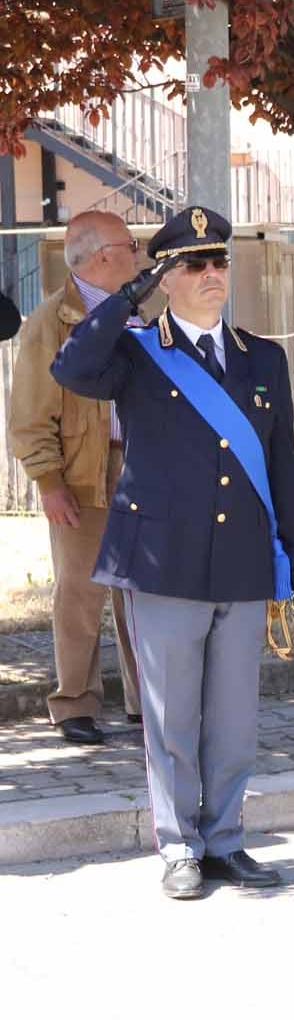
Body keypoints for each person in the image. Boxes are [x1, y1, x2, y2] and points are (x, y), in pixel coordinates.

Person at [50, 206, 294, 899]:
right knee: (172, 716)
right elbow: (72, 367)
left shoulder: (264, 357)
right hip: (163, 559)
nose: (211, 274)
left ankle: (225, 840)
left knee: (233, 717)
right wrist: (130, 297)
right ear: (166, 278)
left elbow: (281, 463)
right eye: (193, 264)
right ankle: (180, 847)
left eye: (219, 260)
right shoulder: (135, 351)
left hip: (243, 557)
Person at [6, 211, 143, 744]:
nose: (139, 253)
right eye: (131, 244)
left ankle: (142, 700)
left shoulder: (140, 311)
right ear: (103, 254)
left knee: (140, 590)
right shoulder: (50, 321)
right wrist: (49, 482)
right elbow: (30, 414)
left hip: (142, 468)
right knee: (80, 593)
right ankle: (74, 705)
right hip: (81, 472)